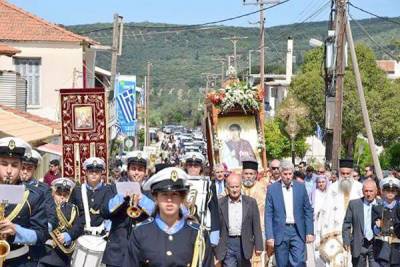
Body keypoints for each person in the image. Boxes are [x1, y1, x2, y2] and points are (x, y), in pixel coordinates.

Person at [122, 167, 214, 266]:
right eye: (164, 194)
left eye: (175, 194)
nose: (169, 200)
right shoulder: (141, 232)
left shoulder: (197, 234)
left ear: (182, 198)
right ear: (155, 198)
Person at [0, 137, 48, 266]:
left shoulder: (34, 196)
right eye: (4, 164)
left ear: (21, 166)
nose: (9, 171)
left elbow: (42, 235)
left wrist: (16, 230)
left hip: (19, 262)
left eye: (15, 165)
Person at [102, 151, 151, 267]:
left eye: (140, 170)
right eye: (133, 169)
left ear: (145, 173)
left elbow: (155, 212)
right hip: (117, 253)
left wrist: (141, 199)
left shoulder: (150, 192)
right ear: (128, 170)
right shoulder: (114, 188)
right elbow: (104, 211)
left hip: (141, 254)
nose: (136, 173)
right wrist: (122, 197)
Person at [265, 160, 314, 267]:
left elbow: (308, 210)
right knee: (282, 263)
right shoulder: (272, 189)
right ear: (280, 174)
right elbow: (268, 214)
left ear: (293, 173)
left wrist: (309, 231)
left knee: (299, 262)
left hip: (297, 230)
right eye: (285, 174)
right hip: (280, 231)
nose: (288, 177)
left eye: (290, 174)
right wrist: (269, 236)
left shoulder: (300, 187)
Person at [316, 159, 363, 266]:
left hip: (355, 232)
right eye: (343, 173)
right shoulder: (332, 188)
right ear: (339, 173)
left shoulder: (360, 188)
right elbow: (325, 213)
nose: (345, 176)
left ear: (352, 173)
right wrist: (323, 234)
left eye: (348, 173)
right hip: (335, 233)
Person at [215, 173, 263, 267]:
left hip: (244, 242)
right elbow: (216, 225)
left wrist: (259, 246)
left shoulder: (251, 202)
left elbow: (256, 225)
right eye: (232, 187)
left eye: (237, 186)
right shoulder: (220, 203)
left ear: (241, 186)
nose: (234, 190)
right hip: (227, 243)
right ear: (227, 187)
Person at [20, 149, 58, 263]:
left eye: (29, 168)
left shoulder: (44, 189)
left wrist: (41, 232)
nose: (25, 171)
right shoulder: (9, 187)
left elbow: (52, 218)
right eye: (22, 168)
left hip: (35, 246)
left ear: (35, 169)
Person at [67, 157, 112, 242]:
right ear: (86, 173)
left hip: (103, 236)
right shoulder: (77, 191)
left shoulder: (109, 190)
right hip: (81, 236)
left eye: (97, 171)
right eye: (91, 171)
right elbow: (71, 215)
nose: (94, 174)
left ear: (102, 173)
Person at [38, 177, 79, 267]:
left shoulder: (72, 209)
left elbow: (76, 228)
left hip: (63, 252)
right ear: (53, 193)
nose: (62, 197)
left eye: (65, 195)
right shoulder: (45, 206)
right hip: (46, 249)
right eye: (59, 194)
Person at [342, 179, 378, 267]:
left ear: (376, 191)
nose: (368, 194)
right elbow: (347, 223)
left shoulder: (381, 204)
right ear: (362, 191)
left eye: (371, 191)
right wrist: (347, 240)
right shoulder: (354, 204)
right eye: (366, 191)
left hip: (375, 245)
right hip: (359, 245)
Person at [240, 160, 266, 267]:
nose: (248, 176)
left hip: (259, 228)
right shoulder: (236, 187)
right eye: (246, 174)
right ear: (242, 174)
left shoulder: (262, 188)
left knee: (258, 259)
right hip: (240, 230)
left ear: (256, 175)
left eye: (251, 174)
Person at [372, 176, 400, 266]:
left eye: (393, 190)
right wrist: (377, 227)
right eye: (387, 190)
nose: (390, 193)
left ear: (396, 192)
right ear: (383, 191)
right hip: (382, 251)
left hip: (397, 251)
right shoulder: (377, 207)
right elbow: (373, 230)